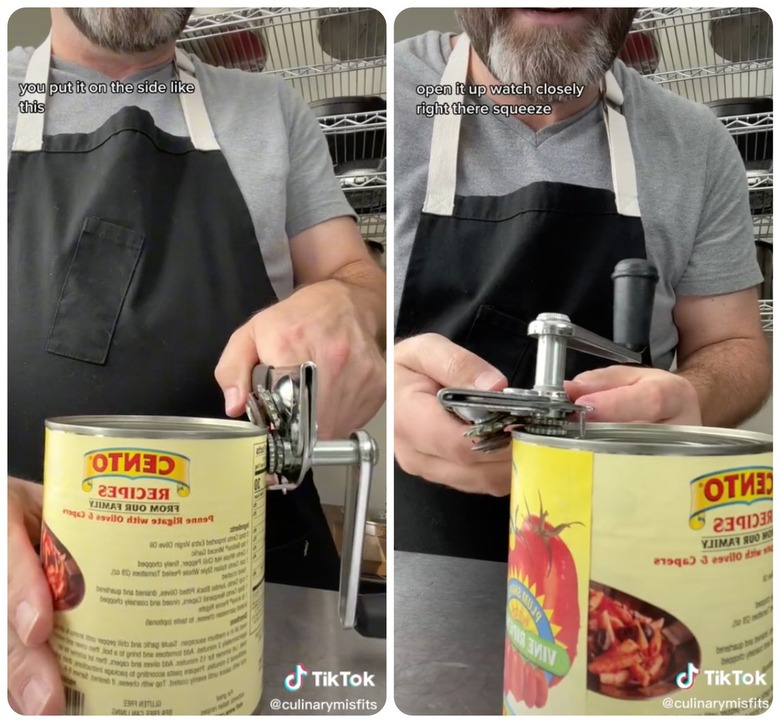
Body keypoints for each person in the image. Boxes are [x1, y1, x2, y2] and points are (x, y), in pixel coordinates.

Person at [7, 8, 386, 715]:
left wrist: (349, 303)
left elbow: (354, 276)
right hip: (40, 597)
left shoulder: (269, 109)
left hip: (261, 580)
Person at [393, 8, 770, 560]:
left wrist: (692, 399)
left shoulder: (697, 144)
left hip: (621, 559)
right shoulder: (396, 98)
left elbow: (734, 346)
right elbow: (332, 313)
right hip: (422, 554)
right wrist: (383, 385)